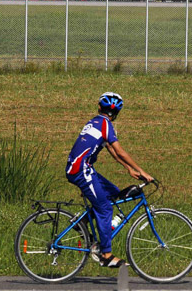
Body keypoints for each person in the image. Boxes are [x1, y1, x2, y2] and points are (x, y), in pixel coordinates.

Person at [65, 92, 153, 268]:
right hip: (82, 170)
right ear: (118, 113)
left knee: (115, 193)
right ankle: (106, 255)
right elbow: (119, 151)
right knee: (105, 208)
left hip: (82, 168)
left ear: (99, 107)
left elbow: (112, 152)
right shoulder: (105, 125)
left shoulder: (96, 122)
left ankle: (82, 221)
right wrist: (141, 171)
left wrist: (129, 169)